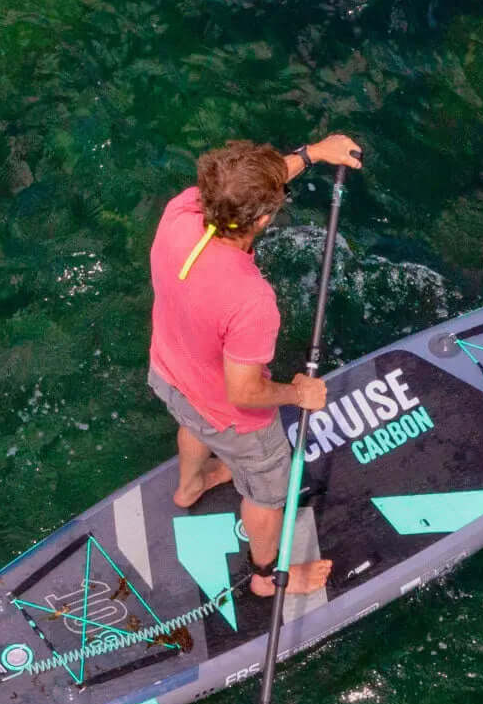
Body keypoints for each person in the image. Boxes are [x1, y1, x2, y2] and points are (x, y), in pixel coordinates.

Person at [148, 134, 363, 597]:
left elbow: (243, 188)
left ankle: (190, 487)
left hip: (169, 376)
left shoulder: (181, 211)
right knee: (267, 494)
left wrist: (310, 155)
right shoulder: (250, 299)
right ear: (263, 220)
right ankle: (267, 578)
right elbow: (243, 392)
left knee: (194, 421)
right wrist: (298, 393)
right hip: (233, 418)